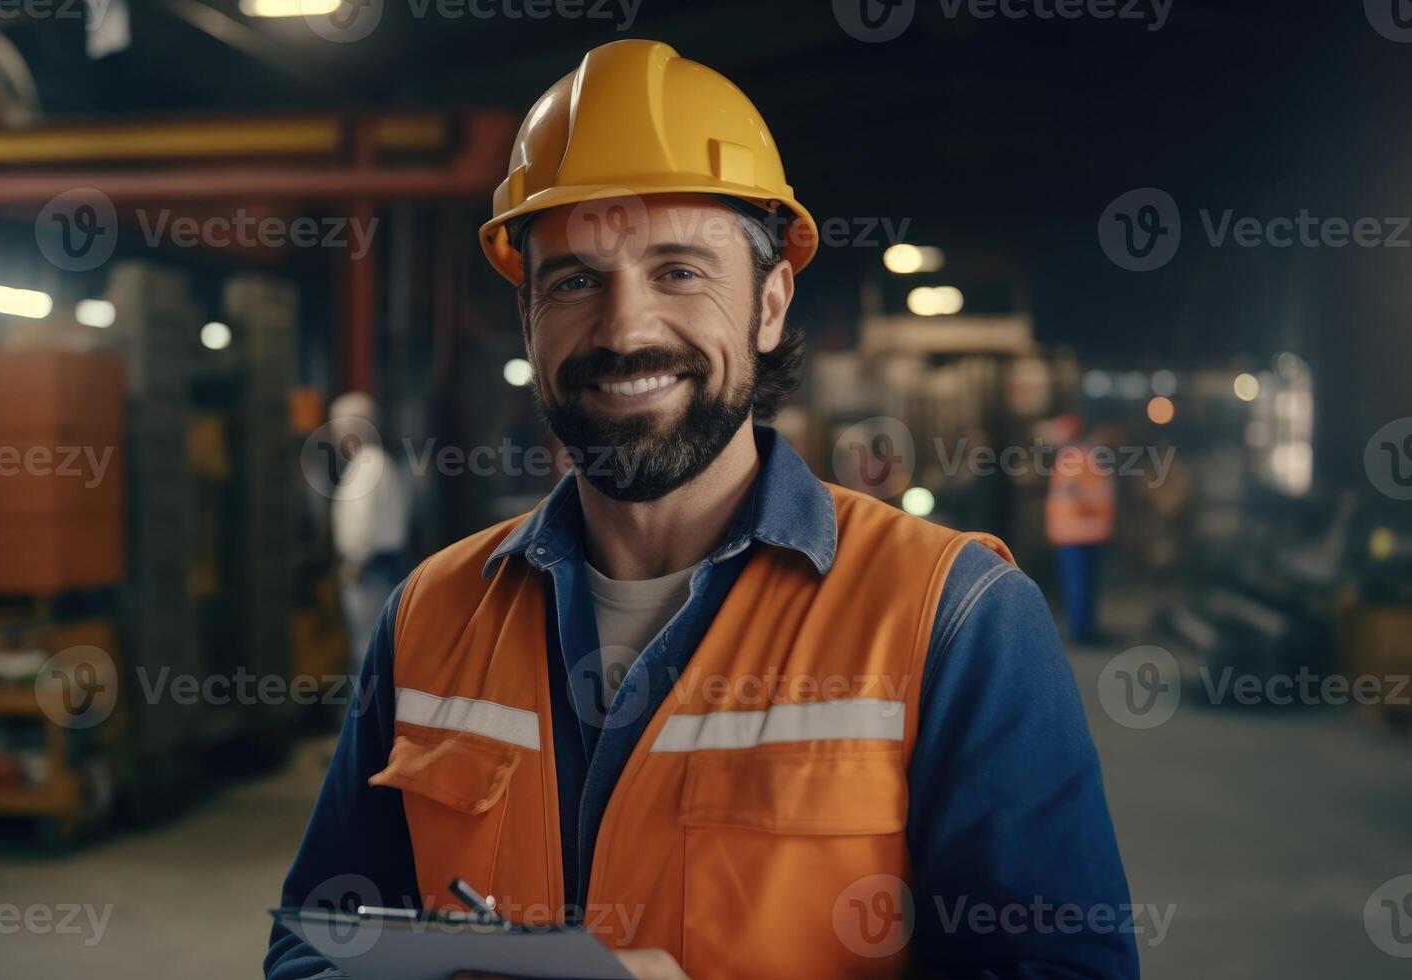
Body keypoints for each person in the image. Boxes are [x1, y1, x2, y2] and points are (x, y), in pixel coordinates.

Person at [267, 40, 1136, 980]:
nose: (625, 328)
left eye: (679, 271)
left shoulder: (954, 620)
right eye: (573, 280)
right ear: (529, 318)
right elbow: (316, 949)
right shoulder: (429, 616)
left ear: (768, 305)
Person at [326, 391, 411, 676]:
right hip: (374, 566)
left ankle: (366, 717)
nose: (337, 433)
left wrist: (355, 562)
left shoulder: (370, 466)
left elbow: (365, 522)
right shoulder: (372, 464)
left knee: (368, 648)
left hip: (371, 568)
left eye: (339, 425)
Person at [1045, 415, 1117, 644]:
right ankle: (1082, 632)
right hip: (1081, 532)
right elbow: (1077, 494)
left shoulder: (1076, 458)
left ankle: (1083, 630)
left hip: (1078, 533)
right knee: (1081, 585)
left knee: (1080, 585)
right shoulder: (1081, 458)